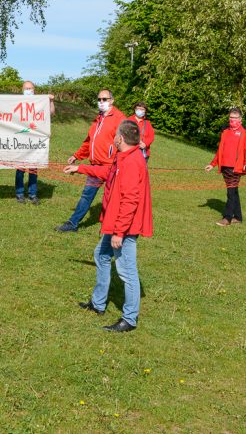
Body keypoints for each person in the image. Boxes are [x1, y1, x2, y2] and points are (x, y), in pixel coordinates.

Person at [64, 120, 152, 332]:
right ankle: (98, 304)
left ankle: (130, 319)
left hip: (125, 227)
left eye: (115, 134)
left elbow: (130, 200)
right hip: (116, 222)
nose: (114, 136)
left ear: (120, 138)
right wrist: (80, 168)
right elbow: (109, 174)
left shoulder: (132, 162)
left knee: (126, 270)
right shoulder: (123, 157)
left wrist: (119, 232)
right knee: (101, 256)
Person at [59, 90, 128, 232]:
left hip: (111, 166)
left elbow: (125, 143)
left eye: (105, 99)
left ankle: (117, 227)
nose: (101, 102)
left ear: (112, 100)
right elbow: (89, 141)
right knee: (87, 194)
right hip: (95, 166)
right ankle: (73, 224)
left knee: (114, 198)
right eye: (99, 99)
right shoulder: (98, 119)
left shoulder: (120, 118)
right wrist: (76, 156)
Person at [206, 108, 246, 226]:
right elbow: (220, 150)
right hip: (225, 167)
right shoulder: (225, 132)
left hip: (236, 168)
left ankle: (227, 218)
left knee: (230, 192)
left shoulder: (245, 132)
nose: (232, 120)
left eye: (235, 118)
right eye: (231, 117)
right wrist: (212, 164)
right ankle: (238, 217)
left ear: (240, 119)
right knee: (234, 191)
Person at [16, 80, 43, 204]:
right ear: (22, 90)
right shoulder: (16, 103)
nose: (28, 91)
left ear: (34, 90)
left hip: (34, 142)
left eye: (30, 88)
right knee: (20, 169)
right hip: (21, 140)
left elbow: (51, 113)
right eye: (26, 88)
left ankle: (33, 194)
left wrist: (51, 101)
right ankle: (19, 193)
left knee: (33, 169)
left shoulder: (39, 103)